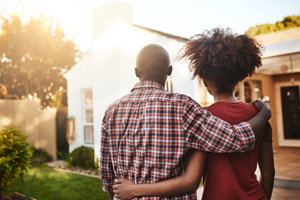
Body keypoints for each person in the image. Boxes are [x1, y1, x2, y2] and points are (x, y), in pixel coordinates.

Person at [112, 29, 275, 200]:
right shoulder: (258, 117)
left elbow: (192, 179)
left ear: (204, 81)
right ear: (238, 78)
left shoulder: (202, 116)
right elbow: (269, 172)